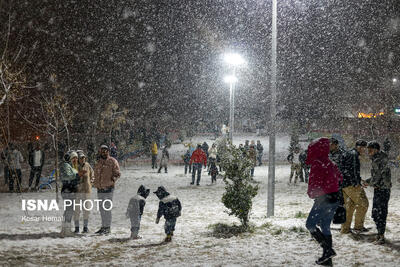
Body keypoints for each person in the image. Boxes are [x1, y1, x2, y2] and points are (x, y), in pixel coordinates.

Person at [305, 138, 342, 266]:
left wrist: (312, 193)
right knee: (325, 226)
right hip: (334, 199)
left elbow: (315, 183)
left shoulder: (317, 163)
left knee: (310, 224)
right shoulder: (330, 162)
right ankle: (328, 260)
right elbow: (340, 177)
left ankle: (328, 251)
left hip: (323, 200)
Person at [364, 141, 392, 244]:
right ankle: (380, 234)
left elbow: (377, 177)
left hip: (382, 189)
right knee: (377, 213)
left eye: (370, 149)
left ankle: (381, 236)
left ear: (376, 150)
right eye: (368, 149)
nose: (368, 151)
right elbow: (377, 175)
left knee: (380, 213)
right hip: (380, 188)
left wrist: (368, 183)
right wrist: (368, 181)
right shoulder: (378, 158)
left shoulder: (379, 159)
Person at [340, 140, 369, 234]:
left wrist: (359, 179)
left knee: (349, 206)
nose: (365, 151)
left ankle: (345, 229)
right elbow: (353, 170)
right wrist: (356, 183)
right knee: (364, 204)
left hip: (344, 184)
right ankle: (358, 227)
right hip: (351, 185)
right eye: (364, 148)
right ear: (360, 147)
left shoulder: (347, 153)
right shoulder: (353, 155)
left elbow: (345, 169)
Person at [93, 145, 121, 235]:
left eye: (106, 151)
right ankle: (103, 226)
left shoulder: (112, 161)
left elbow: (118, 173)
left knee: (107, 208)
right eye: (102, 151)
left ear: (108, 152)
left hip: (109, 188)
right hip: (100, 188)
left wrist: (112, 179)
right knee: (102, 209)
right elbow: (96, 173)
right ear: (100, 152)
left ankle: (107, 228)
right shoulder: (98, 162)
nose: (104, 153)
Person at [60, 151, 82, 237]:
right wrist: (77, 176)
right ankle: (66, 230)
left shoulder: (72, 166)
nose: (75, 159)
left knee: (69, 210)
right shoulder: (66, 165)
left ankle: (65, 229)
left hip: (71, 190)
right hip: (67, 190)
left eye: (76, 158)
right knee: (69, 210)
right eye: (73, 158)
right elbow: (67, 177)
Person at [74, 151, 94, 233]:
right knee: (77, 210)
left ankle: (85, 227)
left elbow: (92, 174)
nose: (83, 159)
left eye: (84, 158)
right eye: (81, 158)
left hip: (87, 191)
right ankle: (77, 227)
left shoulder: (87, 165)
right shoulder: (75, 166)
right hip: (78, 192)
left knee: (87, 209)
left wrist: (91, 182)